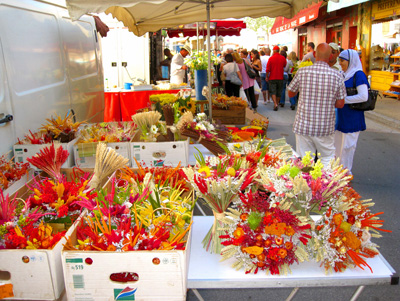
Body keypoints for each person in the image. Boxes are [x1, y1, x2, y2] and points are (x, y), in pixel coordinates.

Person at [287, 43, 346, 167]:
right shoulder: (337, 75)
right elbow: (340, 104)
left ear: (314, 54)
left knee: (304, 160)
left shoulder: (302, 72)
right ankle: (325, 185)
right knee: (326, 158)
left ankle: (305, 185)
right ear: (330, 56)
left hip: (303, 125)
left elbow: (291, 93)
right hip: (325, 126)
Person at [335, 49, 369, 174]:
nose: (340, 63)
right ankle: (336, 172)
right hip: (341, 116)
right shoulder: (343, 74)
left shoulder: (358, 75)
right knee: (338, 146)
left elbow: (363, 96)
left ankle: (346, 173)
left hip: (353, 117)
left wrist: (343, 100)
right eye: (339, 60)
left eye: (342, 60)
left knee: (348, 147)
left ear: (350, 61)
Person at [266, 45, 287, 111]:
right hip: (280, 77)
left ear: (274, 51)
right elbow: (285, 65)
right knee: (279, 92)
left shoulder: (271, 58)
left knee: (273, 91)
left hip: (272, 77)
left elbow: (267, 69)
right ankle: (277, 103)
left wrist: (267, 76)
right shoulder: (283, 58)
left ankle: (275, 103)